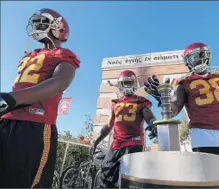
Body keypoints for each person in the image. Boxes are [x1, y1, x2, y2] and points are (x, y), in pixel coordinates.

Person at [144, 42, 219, 188]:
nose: (198, 60)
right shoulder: (184, 83)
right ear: (187, 62)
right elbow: (173, 109)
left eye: (200, 55)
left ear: (207, 56)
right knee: (216, 182)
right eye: (193, 58)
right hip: (205, 137)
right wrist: (163, 98)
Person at [0, 8, 80, 188]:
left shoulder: (63, 54)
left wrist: (12, 98)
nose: (37, 26)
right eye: (36, 22)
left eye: (42, 22)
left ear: (59, 27)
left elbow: (60, 81)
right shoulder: (30, 55)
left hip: (34, 124)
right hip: (6, 121)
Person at [92, 70, 156, 188]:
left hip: (133, 142)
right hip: (117, 143)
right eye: (124, 83)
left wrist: (153, 124)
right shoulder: (115, 103)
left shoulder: (140, 101)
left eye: (129, 82)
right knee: (105, 176)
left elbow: (149, 116)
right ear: (120, 85)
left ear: (134, 83)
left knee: (130, 178)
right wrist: (97, 140)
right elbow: (108, 125)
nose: (127, 86)